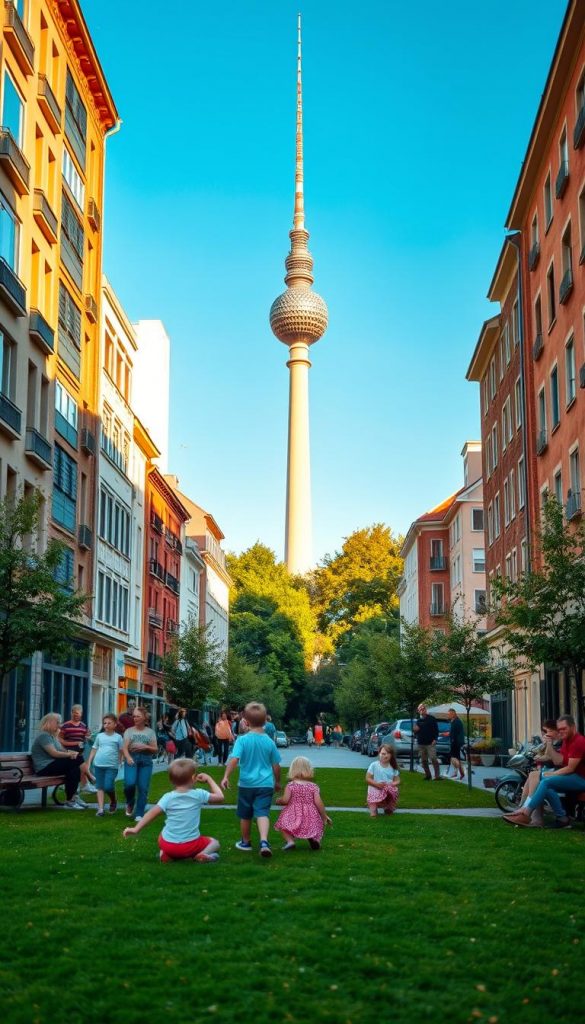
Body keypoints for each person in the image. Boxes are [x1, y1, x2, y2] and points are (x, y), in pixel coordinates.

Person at [123, 758, 224, 862]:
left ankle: (166, 854)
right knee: (215, 842)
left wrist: (136, 829)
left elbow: (151, 814)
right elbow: (220, 797)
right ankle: (202, 854)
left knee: (163, 833)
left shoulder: (167, 798)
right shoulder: (199, 794)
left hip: (168, 845)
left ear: (171, 781)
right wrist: (209, 779)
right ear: (194, 778)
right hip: (191, 846)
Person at [221, 701, 281, 857]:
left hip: (246, 784)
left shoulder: (242, 740)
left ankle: (246, 842)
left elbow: (234, 759)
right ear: (265, 722)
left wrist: (226, 776)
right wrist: (278, 782)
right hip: (266, 784)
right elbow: (276, 765)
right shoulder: (269, 742)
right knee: (262, 813)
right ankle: (263, 841)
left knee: (245, 814)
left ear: (245, 722)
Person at [503, 714, 585, 829]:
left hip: (580, 778)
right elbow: (558, 761)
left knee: (545, 782)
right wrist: (549, 745)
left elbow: (570, 768)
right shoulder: (567, 741)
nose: (561, 731)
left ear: (573, 727)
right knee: (539, 780)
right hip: (572, 776)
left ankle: (526, 813)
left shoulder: (579, 741)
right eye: (559, 729)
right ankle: (561, 818)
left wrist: (551, 774)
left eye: (564, 729)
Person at [508, 720, 564, 827]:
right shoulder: (553, 742)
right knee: (533, 776)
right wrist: (547, 746)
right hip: (553, 772)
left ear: (557, 731)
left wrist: (546, 749)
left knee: (535, 777)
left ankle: (527, 812)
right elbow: (547, 755)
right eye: (546, 731)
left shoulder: (561, 743)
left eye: (550, 731)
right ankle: (524, 810)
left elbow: (554, 760)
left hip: (558, 773)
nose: (547, 733)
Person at [274, 756, 332, 850]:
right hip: (310, 813)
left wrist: (279, 800)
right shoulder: (313, 786)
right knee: (310, 826)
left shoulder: (291, 785)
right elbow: (318, 802)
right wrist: (324, 815)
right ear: (309, 769)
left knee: (284, 825)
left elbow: (286, 800)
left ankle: (290, 842)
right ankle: (314, 840)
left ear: (292, 769)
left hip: (293, 812)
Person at [31, 713, 85, 809]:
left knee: (74, 767)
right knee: (74, 763)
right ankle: (74, 796)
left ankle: (72, 798)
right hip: (44, 768)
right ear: (50, 723)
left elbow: (62, 751)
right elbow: (54, 753)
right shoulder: (44, 736)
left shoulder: (52, 736)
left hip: (52, 765)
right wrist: (70, 754)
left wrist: (72, 753)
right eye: (58, 722)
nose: (60, 725)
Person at [122, 706, 157, 822]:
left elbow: (155, 749)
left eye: (138, 716)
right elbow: (125, 748)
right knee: (129, 784)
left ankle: (139, 813)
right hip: (132, 759)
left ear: (144, 718)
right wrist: (127, 758)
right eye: (134, 716)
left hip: (146, 761)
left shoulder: (150, 732)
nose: (135, 718)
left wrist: (145, 746)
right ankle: (130, 801)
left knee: (143, 787)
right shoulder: (129, 731)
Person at [86, 713, 123, 816]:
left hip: (112, 766)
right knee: (100, 786)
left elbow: (121, 750)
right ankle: (101, 809)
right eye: (104, 723)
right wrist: (89, 762)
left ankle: (113, 800)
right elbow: (94, 748)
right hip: (98, 765)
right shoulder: (99, 736)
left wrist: (120, 761)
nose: (106, 725)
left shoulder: (118, 737)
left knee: (108, 786)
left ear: (115, 724)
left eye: (109, 723)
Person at [59, 704, 95, 793]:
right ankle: (89, 780)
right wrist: (73, 744)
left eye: (78, 713)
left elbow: (86, 736)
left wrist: (88, 737)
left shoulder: (83, 726)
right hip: (68, 752)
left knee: (80, 767)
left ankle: (84, 785)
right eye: (74, 713)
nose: (76, 715)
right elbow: (60, 740)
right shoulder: (65, 725)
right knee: (79, 766)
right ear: (71, 713)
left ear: (81, 714)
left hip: (80, 751)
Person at [366, 743, 401, 817]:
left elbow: (397, 780)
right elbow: (368, 778)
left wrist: (391, 784)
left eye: (388, 753)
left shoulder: (393, 768)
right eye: (383, 753)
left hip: (387, 788)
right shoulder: (374, 765)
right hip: (375, 787)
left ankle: (388, 807)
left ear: (391, 755)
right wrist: (376, 784)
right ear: (379, 754)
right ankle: (373, 810)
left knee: (393, 790)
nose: (385, 755)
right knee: (372, 790)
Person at [414, 703, 440, 780]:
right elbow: (416, 732)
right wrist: (415, 731)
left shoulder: (431, 718)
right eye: (420, 709)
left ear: (425, 709)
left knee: (433, 759)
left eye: (423, 708)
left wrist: (435, 739)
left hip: (430, 743)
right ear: (418, 711)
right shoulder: (418, 721)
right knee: (424, 761)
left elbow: (436, 730)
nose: (422, 710)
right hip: (421, 743)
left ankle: (437, 776)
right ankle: (428, 775)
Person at [447, 708, 465, 780]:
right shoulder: (454, 721)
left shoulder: (457, 722)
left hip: (456, 743)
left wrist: (453, 741)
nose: (448, 715)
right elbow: (452, 733)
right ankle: (459, 773)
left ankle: (460, 772)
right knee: (455, 758)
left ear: (453, 714)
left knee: (453, 758)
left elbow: (456, 734)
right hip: (455, 742)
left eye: (449, 714)